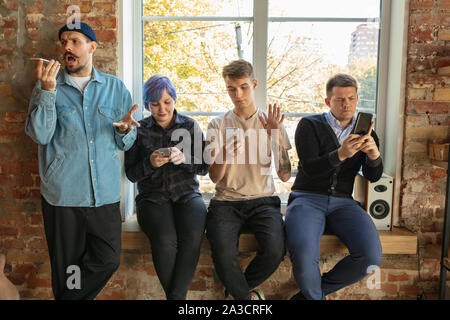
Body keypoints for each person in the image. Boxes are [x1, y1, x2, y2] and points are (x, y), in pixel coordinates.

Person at [25, 22, 139, 300]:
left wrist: (126, 131)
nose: (67, 47)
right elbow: (40, 135)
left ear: (92, 47)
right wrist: (48, 91)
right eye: (64, 41)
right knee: (69, 272)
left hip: (105, 197)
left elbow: (126, 140)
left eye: (75, 41)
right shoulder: (46, 88)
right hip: (64, 198)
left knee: (108, 260)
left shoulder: (115, 89)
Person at [285, 74, 383, 300]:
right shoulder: (309, 125)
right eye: (339, 99)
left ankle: (308, 297)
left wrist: (374, 155)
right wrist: (340, 154)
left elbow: (373, 176)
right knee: (303, 253)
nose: (346, 104)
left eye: (351, 98)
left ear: (357, 99)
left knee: (370, 257)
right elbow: (309, 168)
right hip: (306, 198)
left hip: (343, 203)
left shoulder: (367, 131)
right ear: (328, 102)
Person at [205, 59, 292, 300]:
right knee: (222, 254)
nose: (238, 94)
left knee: (275, 251)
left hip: (263, 200)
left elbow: (285, 174)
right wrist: (223, 154)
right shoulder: (217, 124)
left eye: (243, 87)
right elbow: (214, 177)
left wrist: (276, 139)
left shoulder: (271, 123)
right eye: (231, 88)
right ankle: (246, 300)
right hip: (226, 202)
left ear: (254, 84)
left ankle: (236, 292)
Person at [125, 74, 209, 300]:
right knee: (164, 240)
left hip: (187, 195)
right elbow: (131, 174)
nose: (162, 109)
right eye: (155, 104)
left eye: (167, 102)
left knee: (192, 238)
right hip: (152, 198)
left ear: (174, 100)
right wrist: (149, 163)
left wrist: (185, 158)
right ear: (146, 105)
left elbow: (204, 167)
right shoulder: (139, 129)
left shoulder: (190, 126)